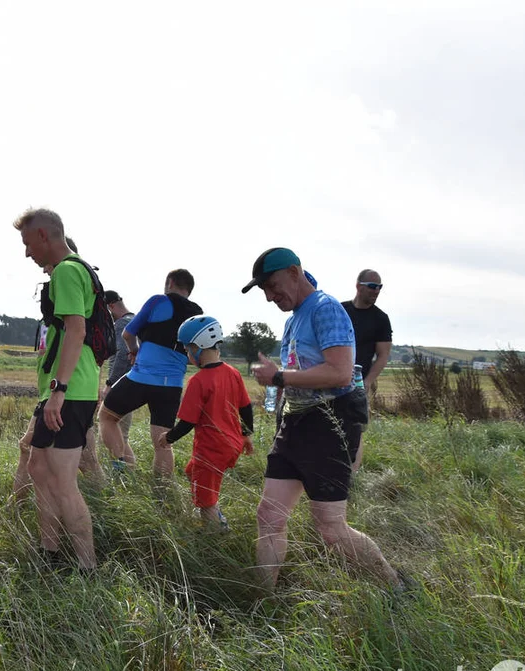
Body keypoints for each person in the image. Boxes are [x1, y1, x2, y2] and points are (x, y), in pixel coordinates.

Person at [242, 247, 403, 591]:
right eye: (264, 291)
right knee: (269, 517)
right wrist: (279, 397)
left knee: (330, 529)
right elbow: (300, 370)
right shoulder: (294, 319)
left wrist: (279, 377)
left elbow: (341, 372)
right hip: (295, 425)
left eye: (273, 285)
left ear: (295, 271)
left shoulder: (325, 308)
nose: (270, 296)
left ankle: (394, 586)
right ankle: (262, 599)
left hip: (329, 424)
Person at [15, 208, 99, 571]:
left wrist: (59, 390)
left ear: (44, 236)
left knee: (64, 483)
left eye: (27, 243)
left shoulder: (66, 270)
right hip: (66, 390)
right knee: (38, 468)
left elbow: (77, 331)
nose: (26, 252)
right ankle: (49, 554)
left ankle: (87, 566)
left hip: (70, 391)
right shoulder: (77, 269)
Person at [13, 239, 104, 504]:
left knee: (85, 461)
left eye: (46, 265)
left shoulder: (69, 276)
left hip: (69, 390)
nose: (43, 271)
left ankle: (99, 506)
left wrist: (60, 389)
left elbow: (81, 338)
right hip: (58, 389)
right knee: (28, 449)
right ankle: (16, 507)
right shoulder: (63, 297)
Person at [99, 269, 202, 478]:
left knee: (107, 417)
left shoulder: (158, 301)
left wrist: (134, 351)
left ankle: (122, 467)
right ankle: (163, 495)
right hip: (172, 385)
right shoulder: (198, 313)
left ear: (170, 283)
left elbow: (128, 333)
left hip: (141, 377)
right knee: (163, 443)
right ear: (189, 290)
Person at [157, 315, 253, 529]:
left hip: (211, 449)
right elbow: (246, 407)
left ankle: (218, 532)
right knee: (192, 471)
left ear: (196, 347)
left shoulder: (198, 381)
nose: (187, 354)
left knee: (206, 500)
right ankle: (210, 509)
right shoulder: (233, 373)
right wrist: (246, 435)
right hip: (231, 444)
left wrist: (169, 437)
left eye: (186, 349)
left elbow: (188, 422)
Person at [342, 269, 392, 472]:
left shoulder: (380, 319)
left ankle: (350, 476)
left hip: (358, 384)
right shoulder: (340, 310)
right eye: (372, 286)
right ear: (359, 286)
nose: (377, 291)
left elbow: (383, 355)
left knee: (356, 429)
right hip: (331, 379)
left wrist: (368, 381)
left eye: (380, 287)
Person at [101, 290, 136, 466]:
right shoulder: (135, 321)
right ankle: (127, 472)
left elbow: (123, 355)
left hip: (122, 385)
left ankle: (122, 474)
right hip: (132, 384)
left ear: (110, 306)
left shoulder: (122, 324)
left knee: (116, 432)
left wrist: (110, 384)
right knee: (121, 433)